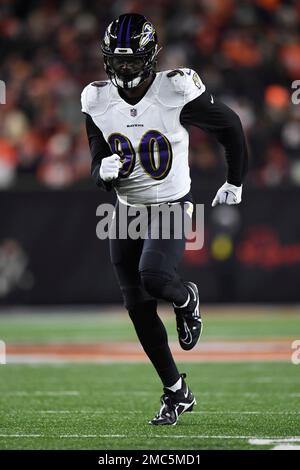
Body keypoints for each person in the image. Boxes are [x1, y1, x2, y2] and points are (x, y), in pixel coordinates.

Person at [81, 13, 248, 425]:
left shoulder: (175, 89)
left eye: (132, 62)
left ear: (151, 58)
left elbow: (231, 126)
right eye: (117, 62)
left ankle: (186, 297)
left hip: (171, 203)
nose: (123, 70)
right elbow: (97, 158)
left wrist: (236, 180)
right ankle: (176, 392)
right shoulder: (96, 99)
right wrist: (101, 172)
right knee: (136, 305)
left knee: (154, 278)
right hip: (125, 210)